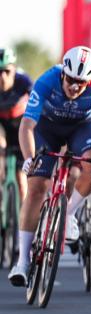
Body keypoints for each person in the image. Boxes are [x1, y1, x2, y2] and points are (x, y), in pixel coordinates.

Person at [8, 46, 91, 287]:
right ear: (63, 73)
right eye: (72, 80)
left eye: (82, 82)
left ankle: (69, 213)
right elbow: (26, 126)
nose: (76, 86)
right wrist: (28, 158)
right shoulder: (47, 80)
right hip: (48, 128)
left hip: (81, 128)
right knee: (36, 186)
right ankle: (22, 262)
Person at [0, 48, 32, 202]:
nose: (2, 77)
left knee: (21, 176)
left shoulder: (23, 81)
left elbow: (37, 101)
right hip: (3, 126)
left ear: (14, 69)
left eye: (6, 71)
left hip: (21, 126)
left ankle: (24, 214)